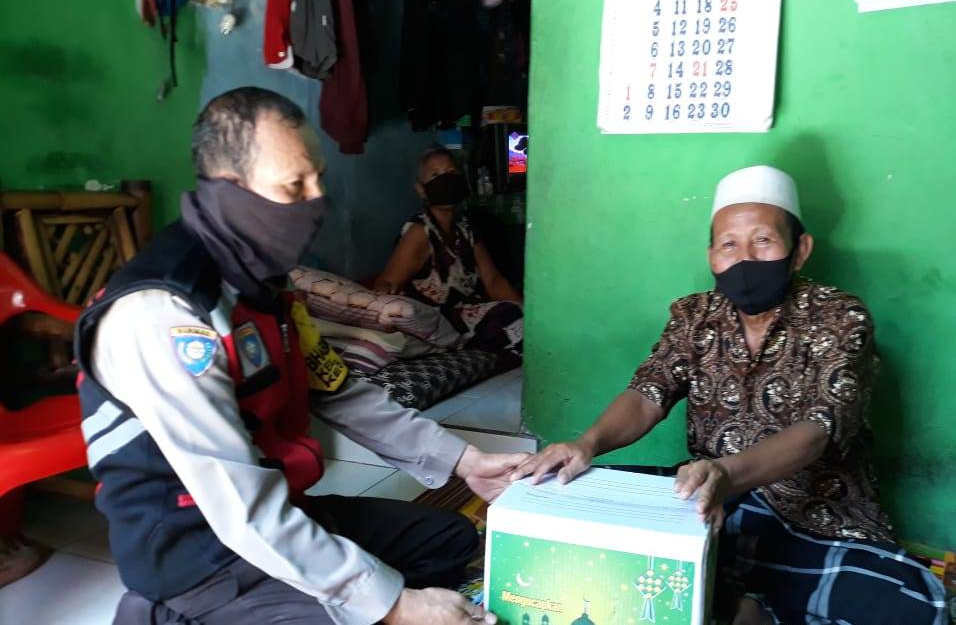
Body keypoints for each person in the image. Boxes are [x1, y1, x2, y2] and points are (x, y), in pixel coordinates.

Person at [75, 87, 526, 624]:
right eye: (294, 186)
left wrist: (465, 462)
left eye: (318, 179)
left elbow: (341, 392)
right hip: (202, 555)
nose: (316, 201)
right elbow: (240, 506)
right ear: (230, 190)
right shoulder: (165, 314)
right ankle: (171, 615)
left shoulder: (266, 286)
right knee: (379, 607)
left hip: (287, 509)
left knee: (448, 540)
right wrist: (392, 605)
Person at [510, 166, 946, 625]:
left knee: (915, 607)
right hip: (707, 499)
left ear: (800, 250)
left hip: (815, 515)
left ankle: (739, 596)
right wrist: (587, 443)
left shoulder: (840, 317)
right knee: (572, 503)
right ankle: (739, 595)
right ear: (711, 256)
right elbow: (647, 393)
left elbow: (818, 430)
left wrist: (726, 473)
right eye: (728, 245)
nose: (745, 259)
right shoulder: (694, 315)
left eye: (763, 240)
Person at [375, 147, 523, 359]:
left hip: (471, 314)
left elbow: (494, 282)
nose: (445, 179)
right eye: (435, 175)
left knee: (517, 314)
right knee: (508, 319)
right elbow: (387, 283)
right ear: (421, 190)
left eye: (451, 172)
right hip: (439, 324)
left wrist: (530, 313)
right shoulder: (419, 232)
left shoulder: (466, 228)